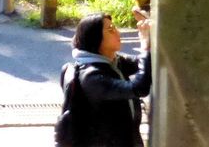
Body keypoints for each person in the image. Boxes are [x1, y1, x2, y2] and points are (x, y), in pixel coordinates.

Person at [61, 10, 152, 147]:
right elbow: (139, 87)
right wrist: (145, 45)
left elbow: (141, 64)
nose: (117, 32)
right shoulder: (91, 77)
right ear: (95, 38)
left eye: (115, 27)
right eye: (110, 30)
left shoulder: (112, 61)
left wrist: (152, 28)